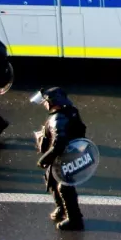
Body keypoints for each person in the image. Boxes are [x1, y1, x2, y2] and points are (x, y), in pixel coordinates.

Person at [33, 87, 86, 230]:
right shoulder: (70, 112)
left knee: (64, 187)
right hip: (68, 154)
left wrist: (44, 159)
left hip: (63, 158)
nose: (44, 104)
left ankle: (75, 219)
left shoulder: (58, 119)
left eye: (46, 101)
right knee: (51, 180)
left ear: (53, 102)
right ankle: (62, 208)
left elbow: (58, 144)